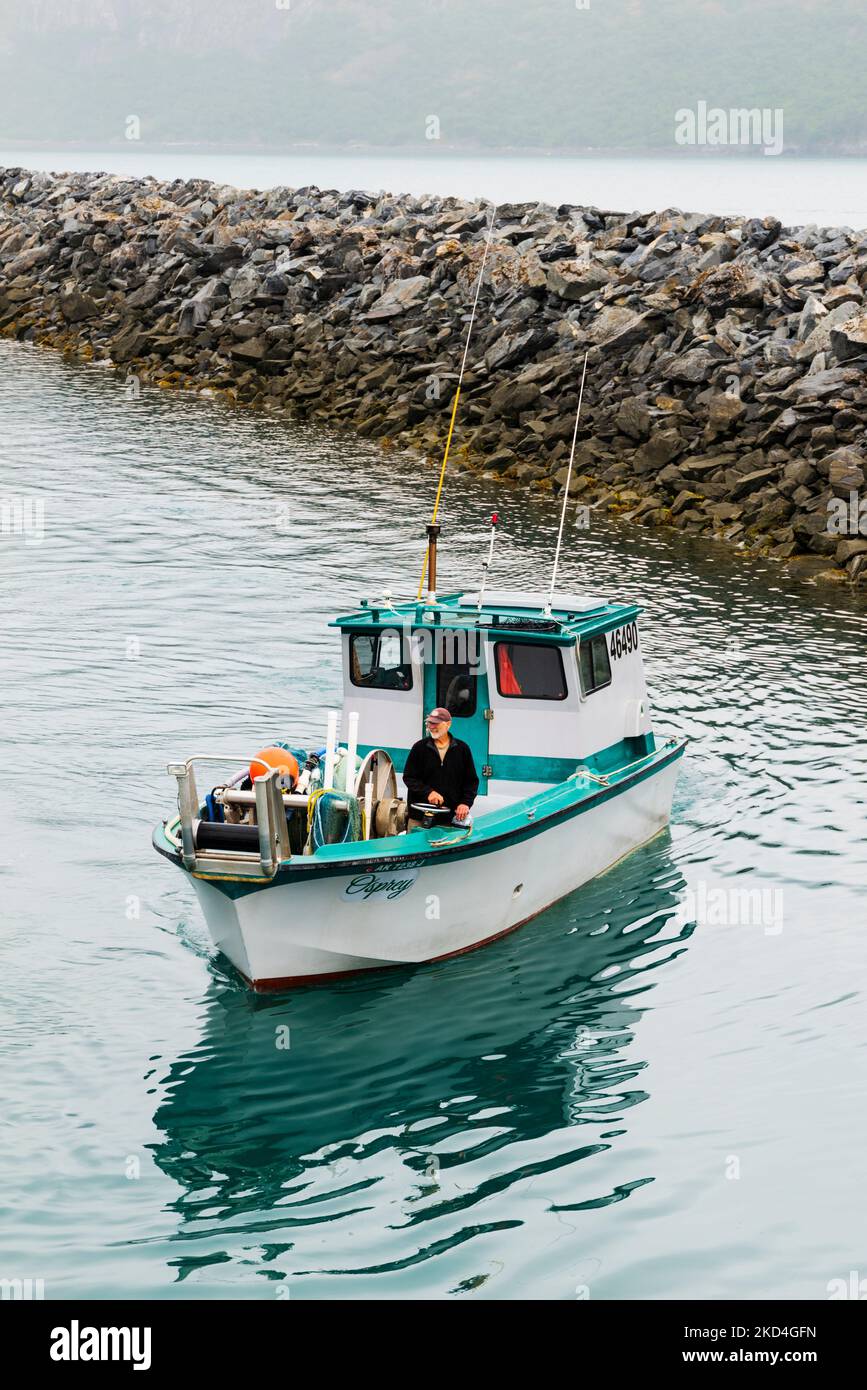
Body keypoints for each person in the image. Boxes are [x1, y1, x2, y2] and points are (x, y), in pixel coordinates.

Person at [403, 707, 479, 826]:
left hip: (449, 817)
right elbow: (409, 777)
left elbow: (471, 781)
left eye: (435, 723)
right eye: (429, 723)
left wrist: (465, 803)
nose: (431, 726)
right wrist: (428, 793)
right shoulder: (419, 747)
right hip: (419, 816)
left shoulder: (462, 749)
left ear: (448, 724)